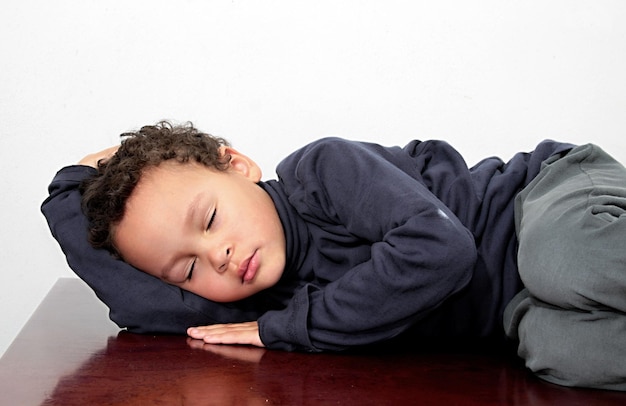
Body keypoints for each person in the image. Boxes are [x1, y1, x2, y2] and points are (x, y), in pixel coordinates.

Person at [42, 121, 626, 390]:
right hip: (513, 313)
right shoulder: (265, 301)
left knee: (564, 265)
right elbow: (132, 298)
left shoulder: (321, 172)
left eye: (211, 220)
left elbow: (440, 250)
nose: (216, 256)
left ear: (237, 165)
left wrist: (296, 325)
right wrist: (70, 198)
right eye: (189, 269)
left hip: (542, 205)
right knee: (566, 353)